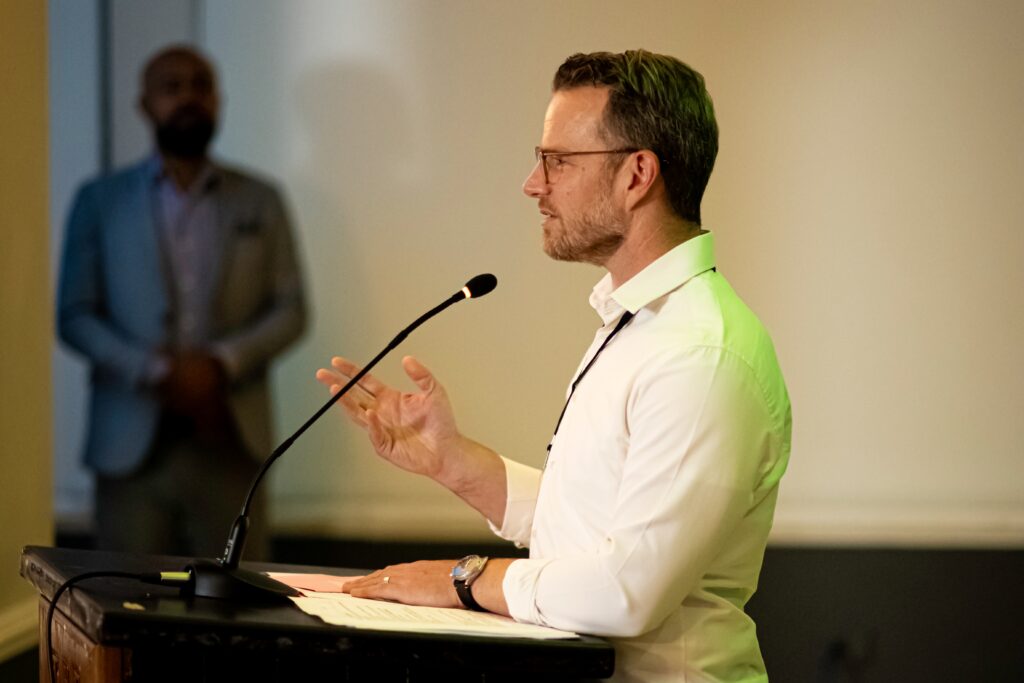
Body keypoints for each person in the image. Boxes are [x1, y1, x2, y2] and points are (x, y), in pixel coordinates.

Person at [316, 50, 790, 683]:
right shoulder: (640, 323)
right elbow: (589, 529)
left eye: (558, 161)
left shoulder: (701, 353)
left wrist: (464, 580)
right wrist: (452, 461)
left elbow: (625, 590)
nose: (533, 184)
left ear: (637, 174)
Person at [57, 45, 307, 560]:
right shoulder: (100, 200)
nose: (187, 97)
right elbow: (75, 314)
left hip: (231, 438)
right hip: (130, 444)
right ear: (144, 105)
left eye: (200, 85)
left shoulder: (261, 199)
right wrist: (156, 370)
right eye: (171, 87)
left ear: (218, 100)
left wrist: (219, 364)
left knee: (238, 598)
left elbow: (291, 310)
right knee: (124, 595)